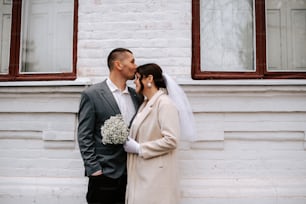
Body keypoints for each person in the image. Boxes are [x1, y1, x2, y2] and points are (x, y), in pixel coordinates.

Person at [77, 48, 143, 204]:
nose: (136, 66)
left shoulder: (136, 95)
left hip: (132, 174)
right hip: (104, 175)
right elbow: (84, 135)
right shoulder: (92, 94)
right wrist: (94, 169)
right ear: (118, 64)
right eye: (132, 61)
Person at [124, 63, 195, 204]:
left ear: (149, 79)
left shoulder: (165, 104)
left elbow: (171, 140)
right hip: (141, 175)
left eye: (137, 78)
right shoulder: (145, 104)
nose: (134, 81)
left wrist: (139, 148)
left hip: (155, 178)